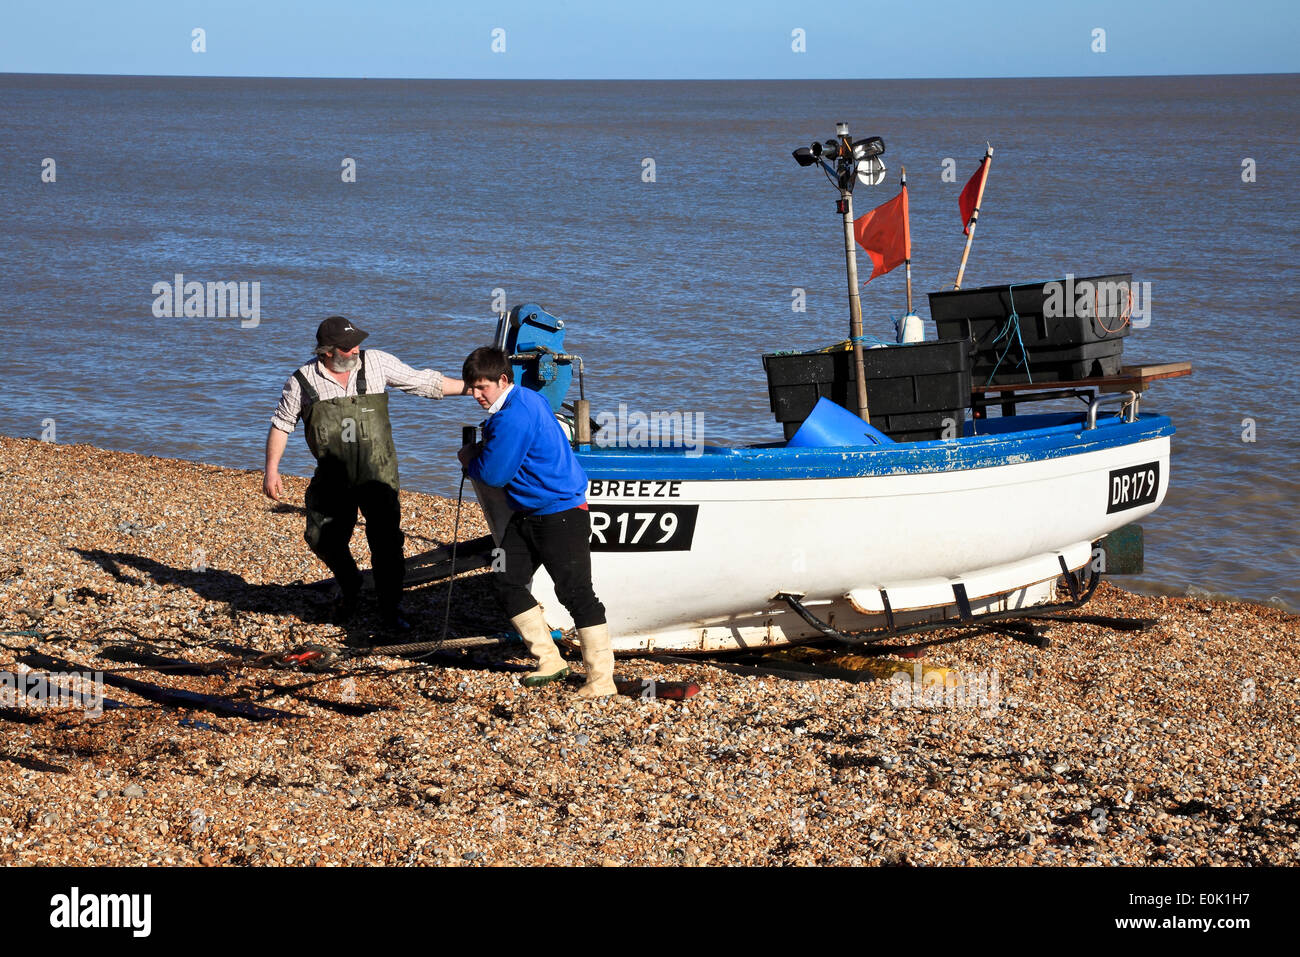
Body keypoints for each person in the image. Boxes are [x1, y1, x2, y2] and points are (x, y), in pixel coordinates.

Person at [263, 315, 467, 633]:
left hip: (378, 473)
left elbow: (425, 382)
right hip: (332, 476)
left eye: (358, 342)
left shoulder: (376, 363)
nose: (357, 349)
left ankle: (391, 608)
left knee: (386, 544)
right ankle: (351, 583)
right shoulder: (302, 380)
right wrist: (271, 470)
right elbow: (281, 425)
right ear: (327, 351)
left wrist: (475, 388)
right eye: (348, 346)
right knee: (320, 537)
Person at [457, 346, 616, 697]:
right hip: (527, 514)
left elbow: (495, 475)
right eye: (472, 388)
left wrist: (470, 458)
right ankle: (550, 660)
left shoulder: (513, 416)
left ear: (503, 379)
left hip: (561, 515)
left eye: (482, 387)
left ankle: (602, 681)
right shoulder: (528, 398)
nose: (476, 395)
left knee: (577, 594)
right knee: (505, 581)